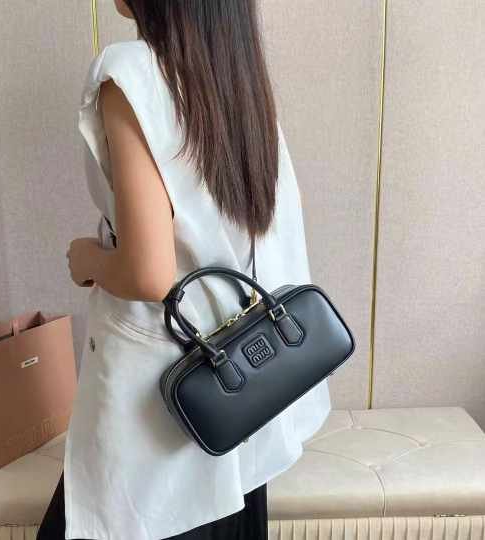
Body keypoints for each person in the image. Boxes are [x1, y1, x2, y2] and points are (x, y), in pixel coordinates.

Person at [41, 1, 332, 539]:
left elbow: (149, 274)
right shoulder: (236, 78)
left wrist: (87, 259)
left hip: (159, 412)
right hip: (239, 407)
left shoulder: (130, 74)